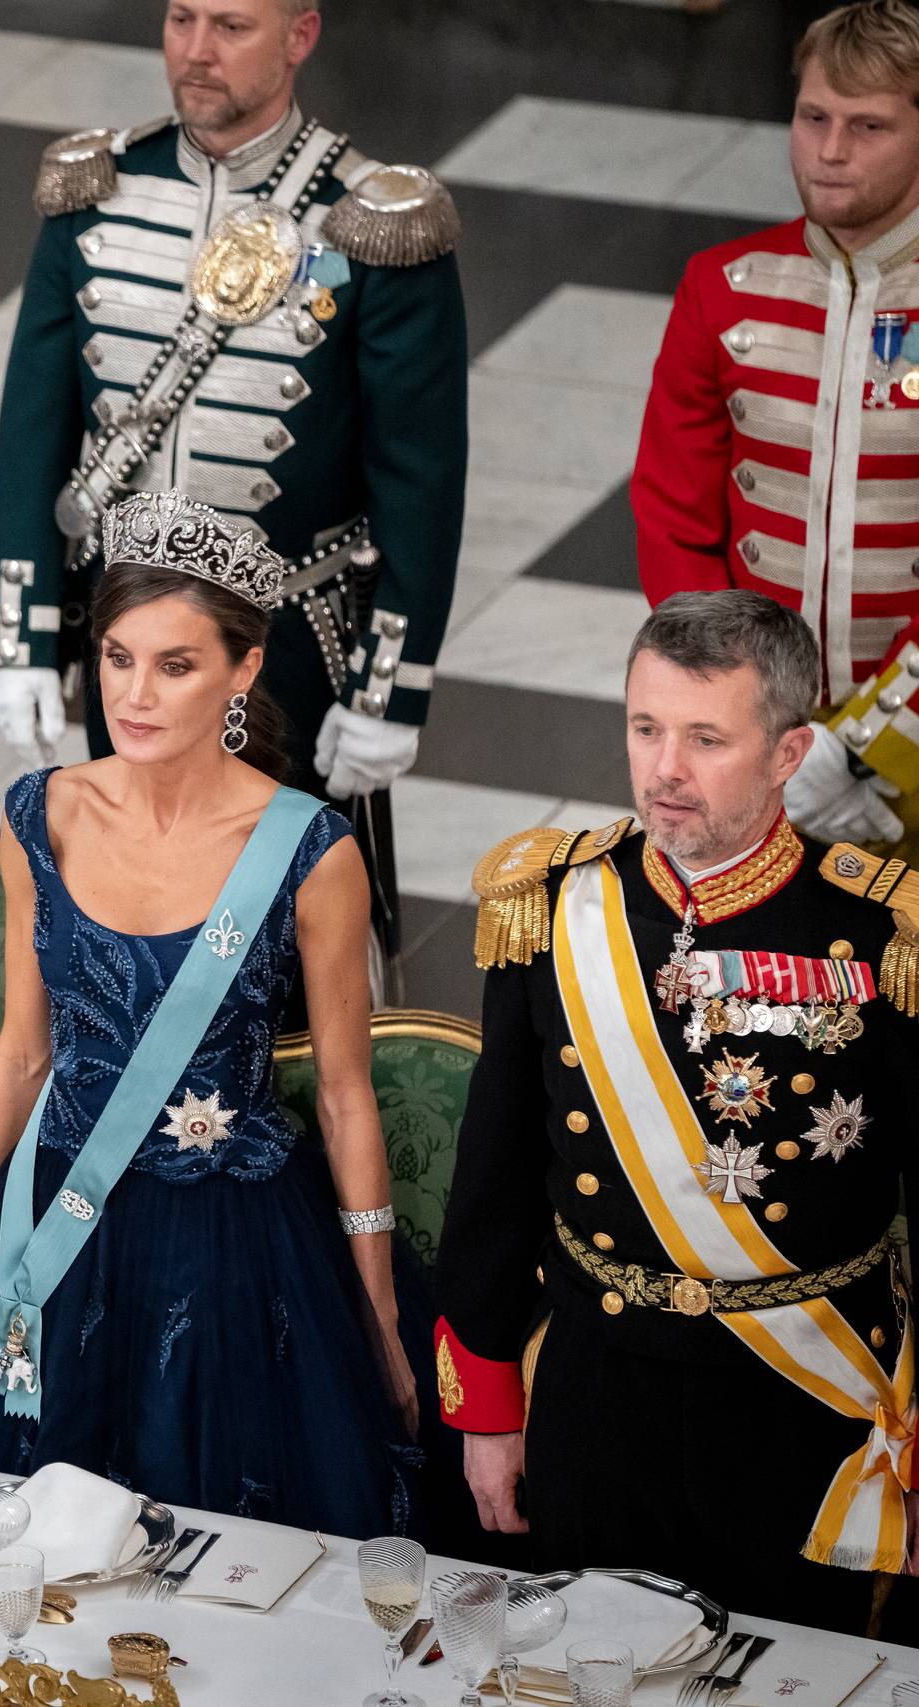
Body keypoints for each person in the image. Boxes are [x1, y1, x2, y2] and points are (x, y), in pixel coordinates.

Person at [0, 491, 419, 1534]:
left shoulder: (312, 851)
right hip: (55, 1217)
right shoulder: (38, 813)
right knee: (9, 1550)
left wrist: (379, 1310)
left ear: (243, 668)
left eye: (175, 665)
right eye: (118, 658)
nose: (134, 696)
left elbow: (346, 1096)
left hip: (231, 1242)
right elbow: (18, 1055)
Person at [437, 590, 919, 1637]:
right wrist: (486, 1410)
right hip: (598, 1392)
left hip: (805, 1400)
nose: (664, 770)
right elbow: (495, 1179)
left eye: (706, 739)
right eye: (645, 728)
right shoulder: (553, 904)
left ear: (791, 752)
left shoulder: (882, 935)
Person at [0, 0, 466, 951]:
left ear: (301, 36)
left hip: (284, 651)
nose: (197, 53)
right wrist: (20, 635)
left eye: (231, 27)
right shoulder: (98, 187)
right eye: (181, 19)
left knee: (282, 944)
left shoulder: (370, 221)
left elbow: (419, 479)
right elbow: (33, 437)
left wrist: (391, 689)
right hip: (122, 634)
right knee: (123, 915)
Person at [632, 1, 919, 853]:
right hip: (760, 757)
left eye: (868, 126)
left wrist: (874, 751)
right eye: (813, 118)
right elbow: (675, 522)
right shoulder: (719, 287)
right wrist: (749, 729)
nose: (830, 153)